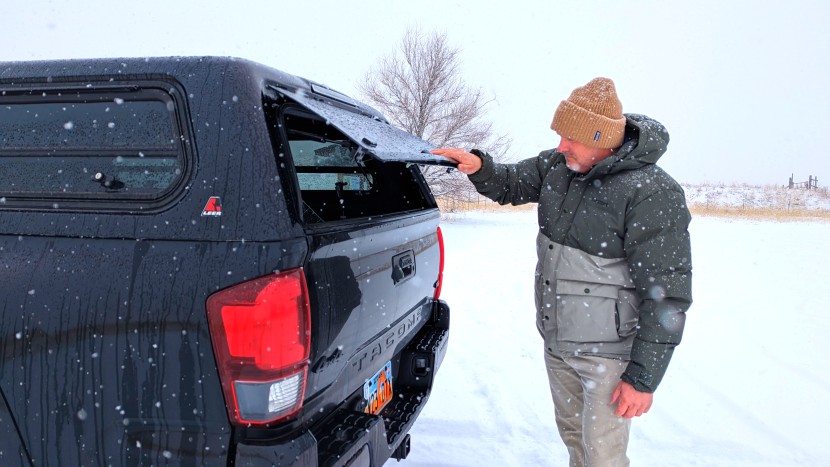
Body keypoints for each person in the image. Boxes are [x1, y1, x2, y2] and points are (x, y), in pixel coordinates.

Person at [433, 77, 692, 466]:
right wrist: (480, 167)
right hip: (559, 341)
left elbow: (666, 291)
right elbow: (510, 183)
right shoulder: (558, 168)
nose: (561, 146)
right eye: (560, 135)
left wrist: (642, 379)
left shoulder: (651, 192)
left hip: (608, 352)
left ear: (603, 138)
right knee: (575, 441)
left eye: (571, 137)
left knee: (602, 454)